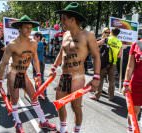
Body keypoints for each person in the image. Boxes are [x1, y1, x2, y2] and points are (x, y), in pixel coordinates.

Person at [0, 15, 56, 133]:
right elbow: (3, 63)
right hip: (14, 74)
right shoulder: (12, 44)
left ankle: (43, 121)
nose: (29, 30)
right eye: (26, 27)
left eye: (30, 28)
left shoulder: (34, 43)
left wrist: (38, 75)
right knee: (15, 99)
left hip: (24, 74)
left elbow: (35, 59)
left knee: (34, 97)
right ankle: (17, 122)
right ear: (19, 28)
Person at [51, 2, 101, 133]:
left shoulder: (87, 35)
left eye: (64, 19)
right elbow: (62, 52)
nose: (61, 21)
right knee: (59, 103)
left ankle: (77, 130)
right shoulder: (65, 34)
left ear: (72, 19)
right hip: (65, 76)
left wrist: (96, 77)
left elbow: (96, 56)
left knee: (76, 107)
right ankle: (63, 129)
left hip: (77, 77)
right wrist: (54, 67)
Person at [91, 27, 122, 101]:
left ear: (111, 32)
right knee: (112, 81)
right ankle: (111, 96)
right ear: (118, 34)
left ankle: (97, 96)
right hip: (113, 63)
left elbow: (96, 44)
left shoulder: (107, 39)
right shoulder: (119, 42)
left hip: (104, 62)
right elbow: (119, 55)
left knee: (100, 79)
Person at [122, 39, 142, 133]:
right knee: (134, 111)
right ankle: (130, 130)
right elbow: (130, 66)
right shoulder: (136, 44)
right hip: (137, 84)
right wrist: (126, 83)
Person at [33, 32, 46, 98]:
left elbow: (35, 50)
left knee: (40, 78)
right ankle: (39, 92)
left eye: (34, 37)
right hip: (36, 63)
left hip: (39, 63)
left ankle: (42, 93)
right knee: (36, 77)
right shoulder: (36, 43)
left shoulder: (40, 43)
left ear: (38, 37)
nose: (33, 38)